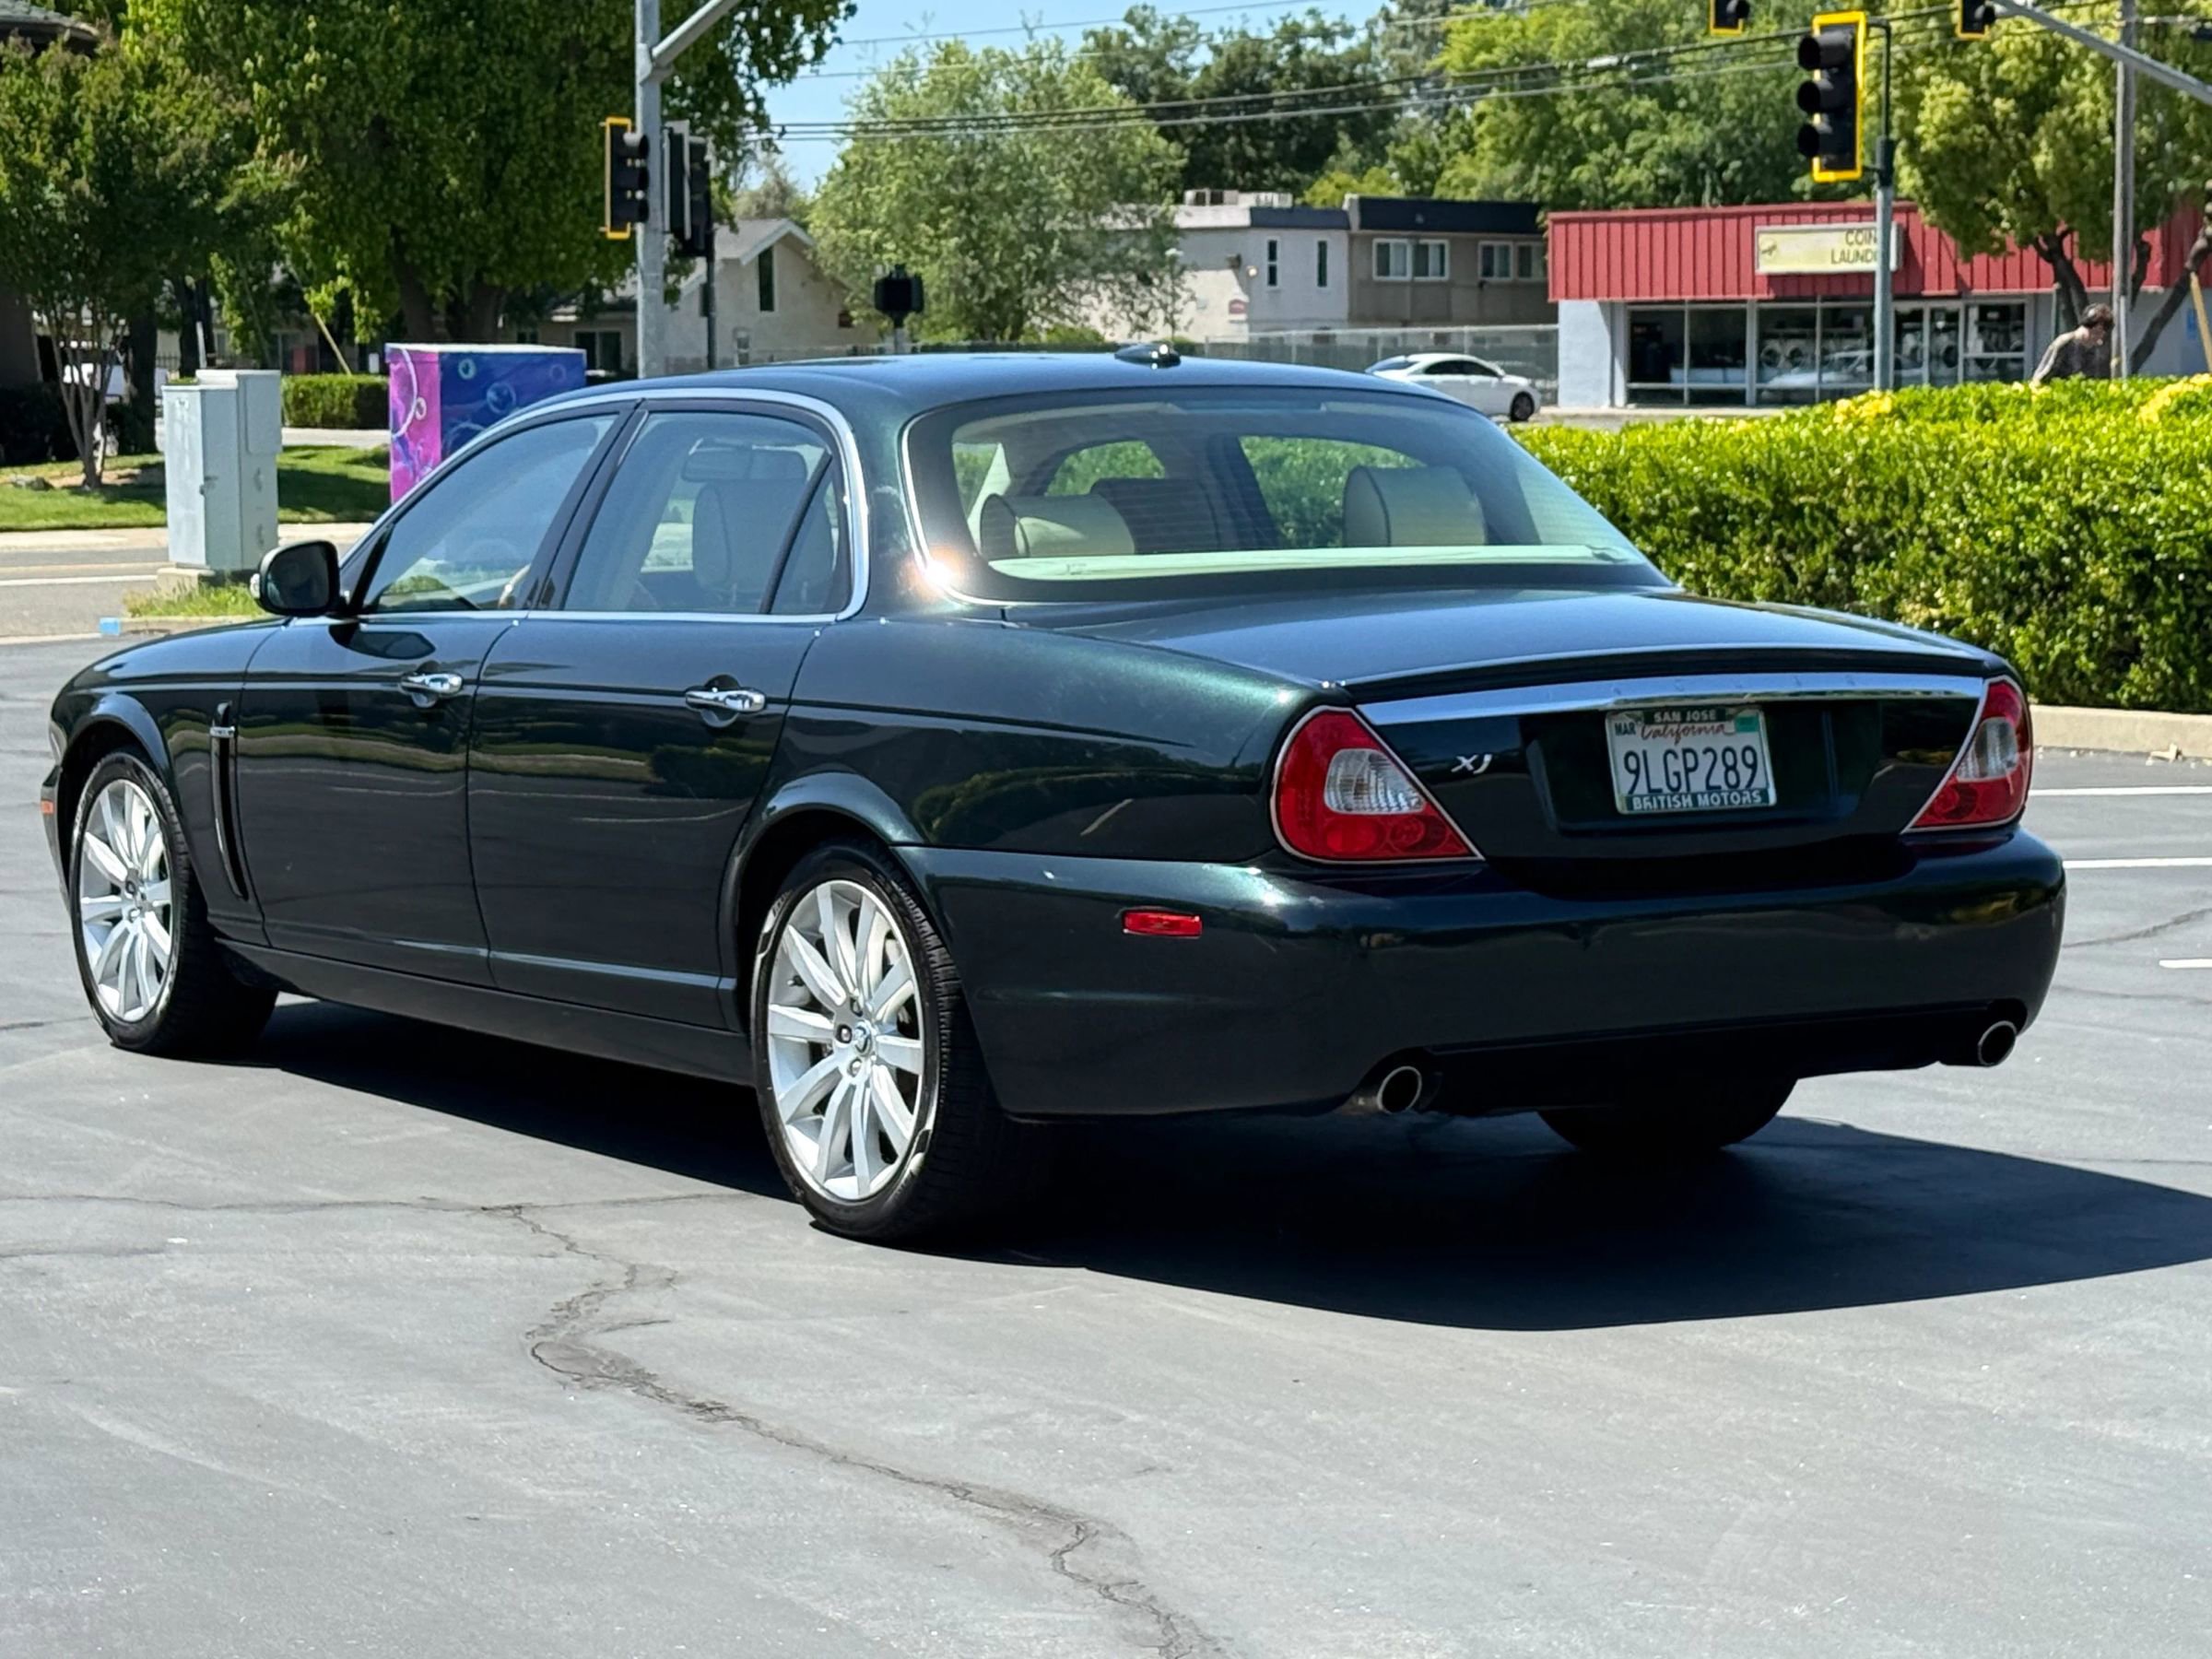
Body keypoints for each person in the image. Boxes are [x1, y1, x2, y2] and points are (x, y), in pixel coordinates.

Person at [2030, 304, 2114, 384]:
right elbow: (2043, 376)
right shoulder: (2065, 342)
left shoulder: (2097, 349)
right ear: (2087, 326)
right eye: (2096, 332)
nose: (2099, 338)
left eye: (2102, 333)